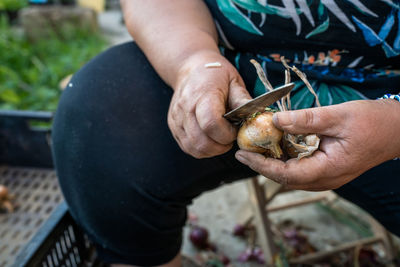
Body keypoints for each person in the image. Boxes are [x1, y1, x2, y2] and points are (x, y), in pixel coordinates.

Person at [51, 1, 400, 266]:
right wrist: (192, 61)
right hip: (239, 68)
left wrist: (393, 128)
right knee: (101, 118)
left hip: (389, 100)